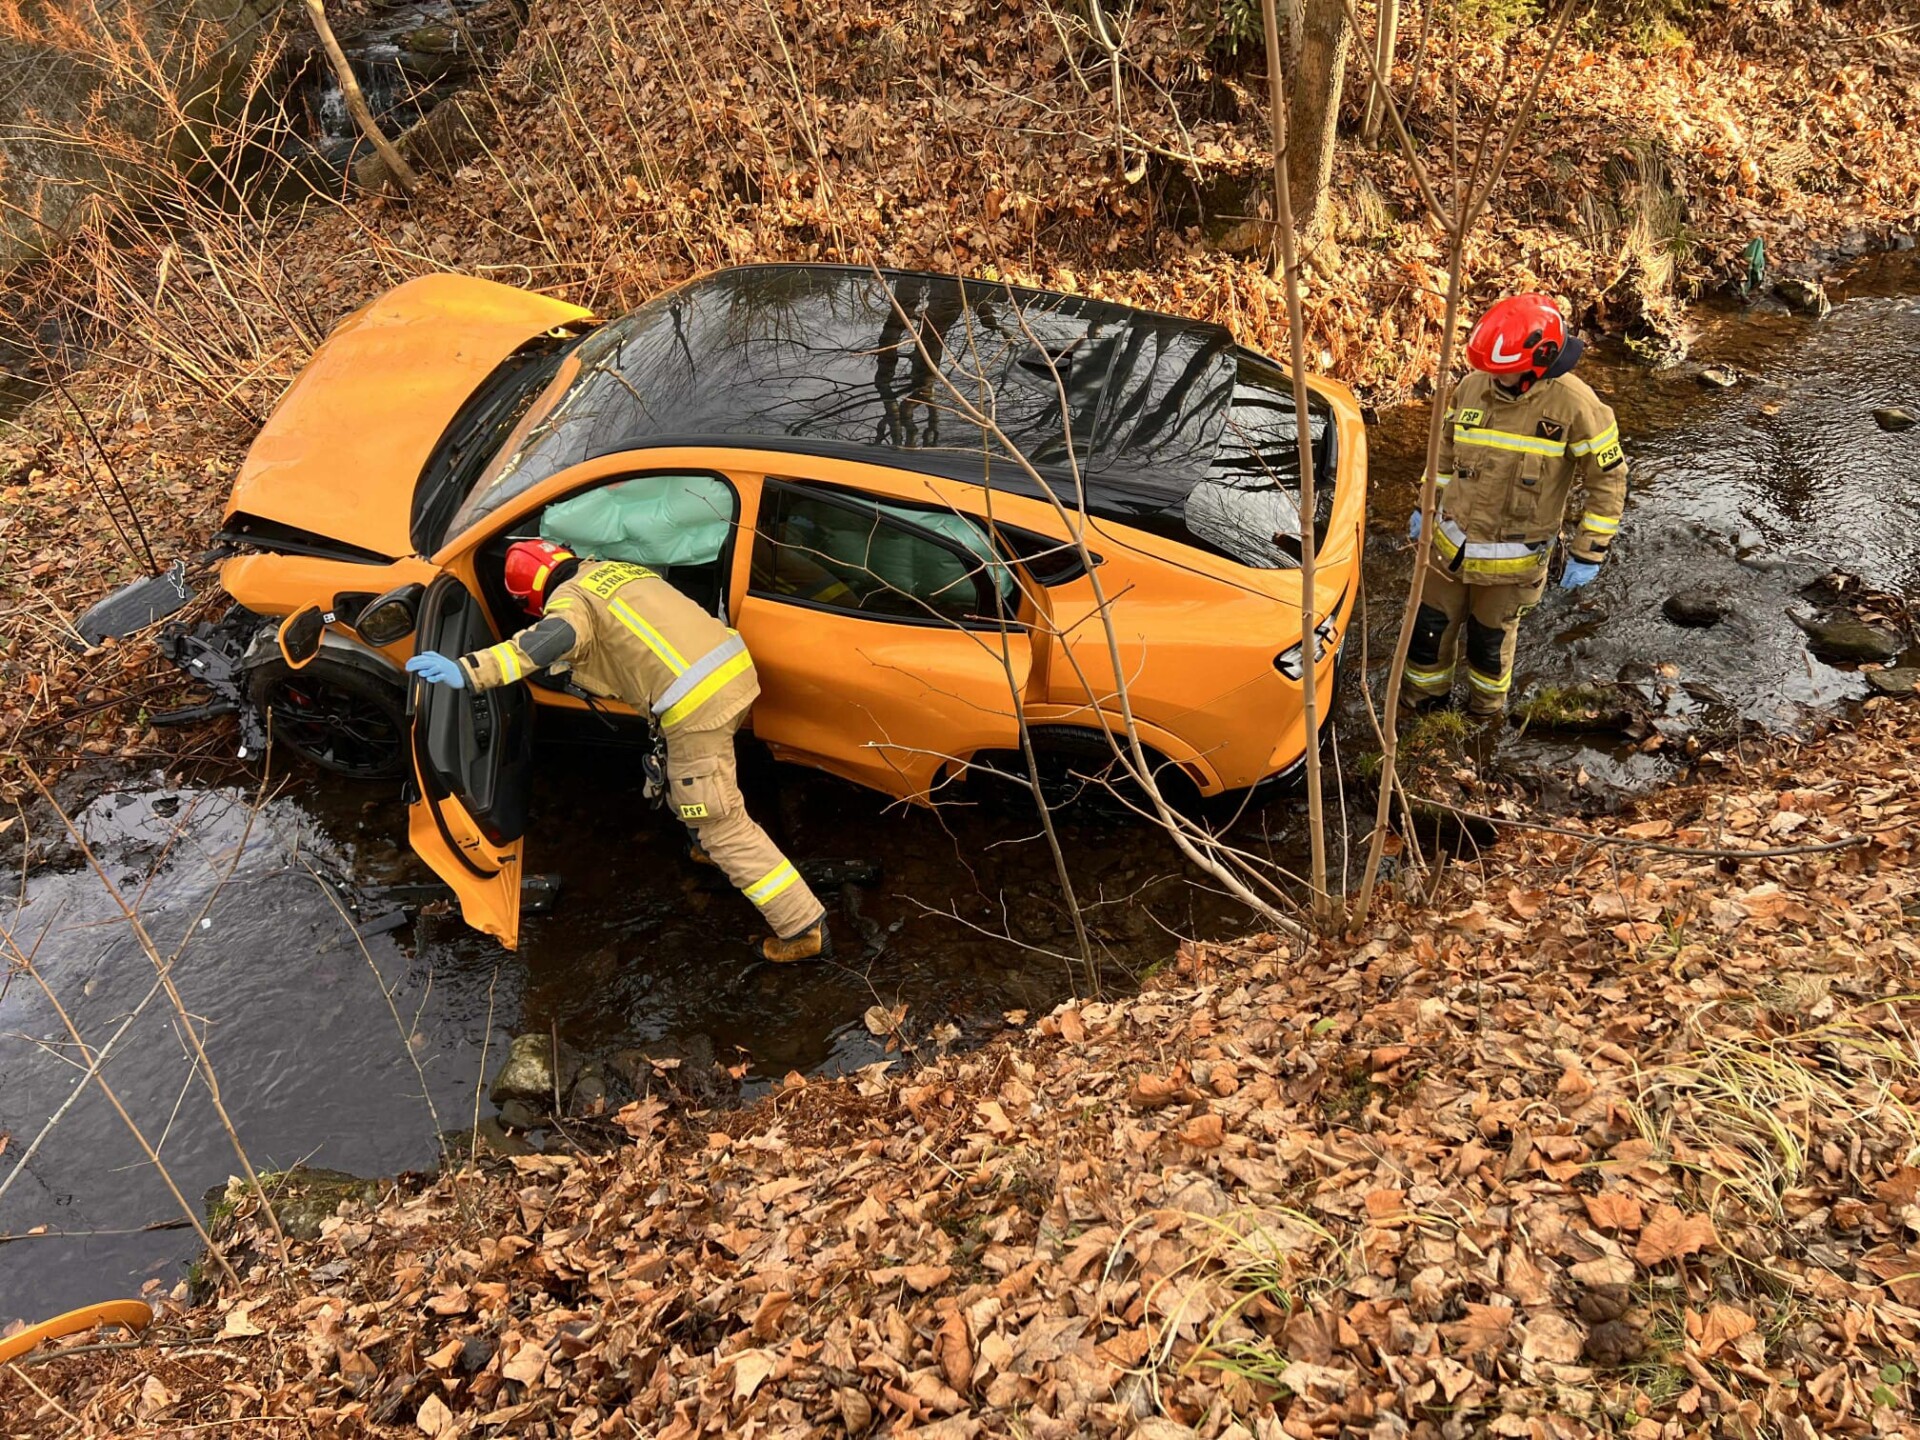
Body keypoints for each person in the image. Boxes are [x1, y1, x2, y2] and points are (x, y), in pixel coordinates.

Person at [406, 540, 829, 962]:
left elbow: (546, 643)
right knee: (690, 780)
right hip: (730, 671)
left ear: (529, 599)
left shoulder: (570, 603)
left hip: (696, 705)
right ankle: (704, 843)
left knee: (720, 821)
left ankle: (803, 927)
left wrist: (469, 671)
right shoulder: (613, 570)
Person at [1403, 294, 1628, 716]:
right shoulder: (1471, 388)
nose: (1493, 377)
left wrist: (1589, 550)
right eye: (1488, 369)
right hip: (1448, 549)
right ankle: (1421, 707)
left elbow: (1608, 480)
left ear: (1540, 363)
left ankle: (1484, 716)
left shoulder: (1577, 406)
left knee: (1488, 646)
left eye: (1502, 370)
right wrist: (1425, 505)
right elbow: (1444, 454)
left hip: (1511, 564)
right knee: (1427, 632)